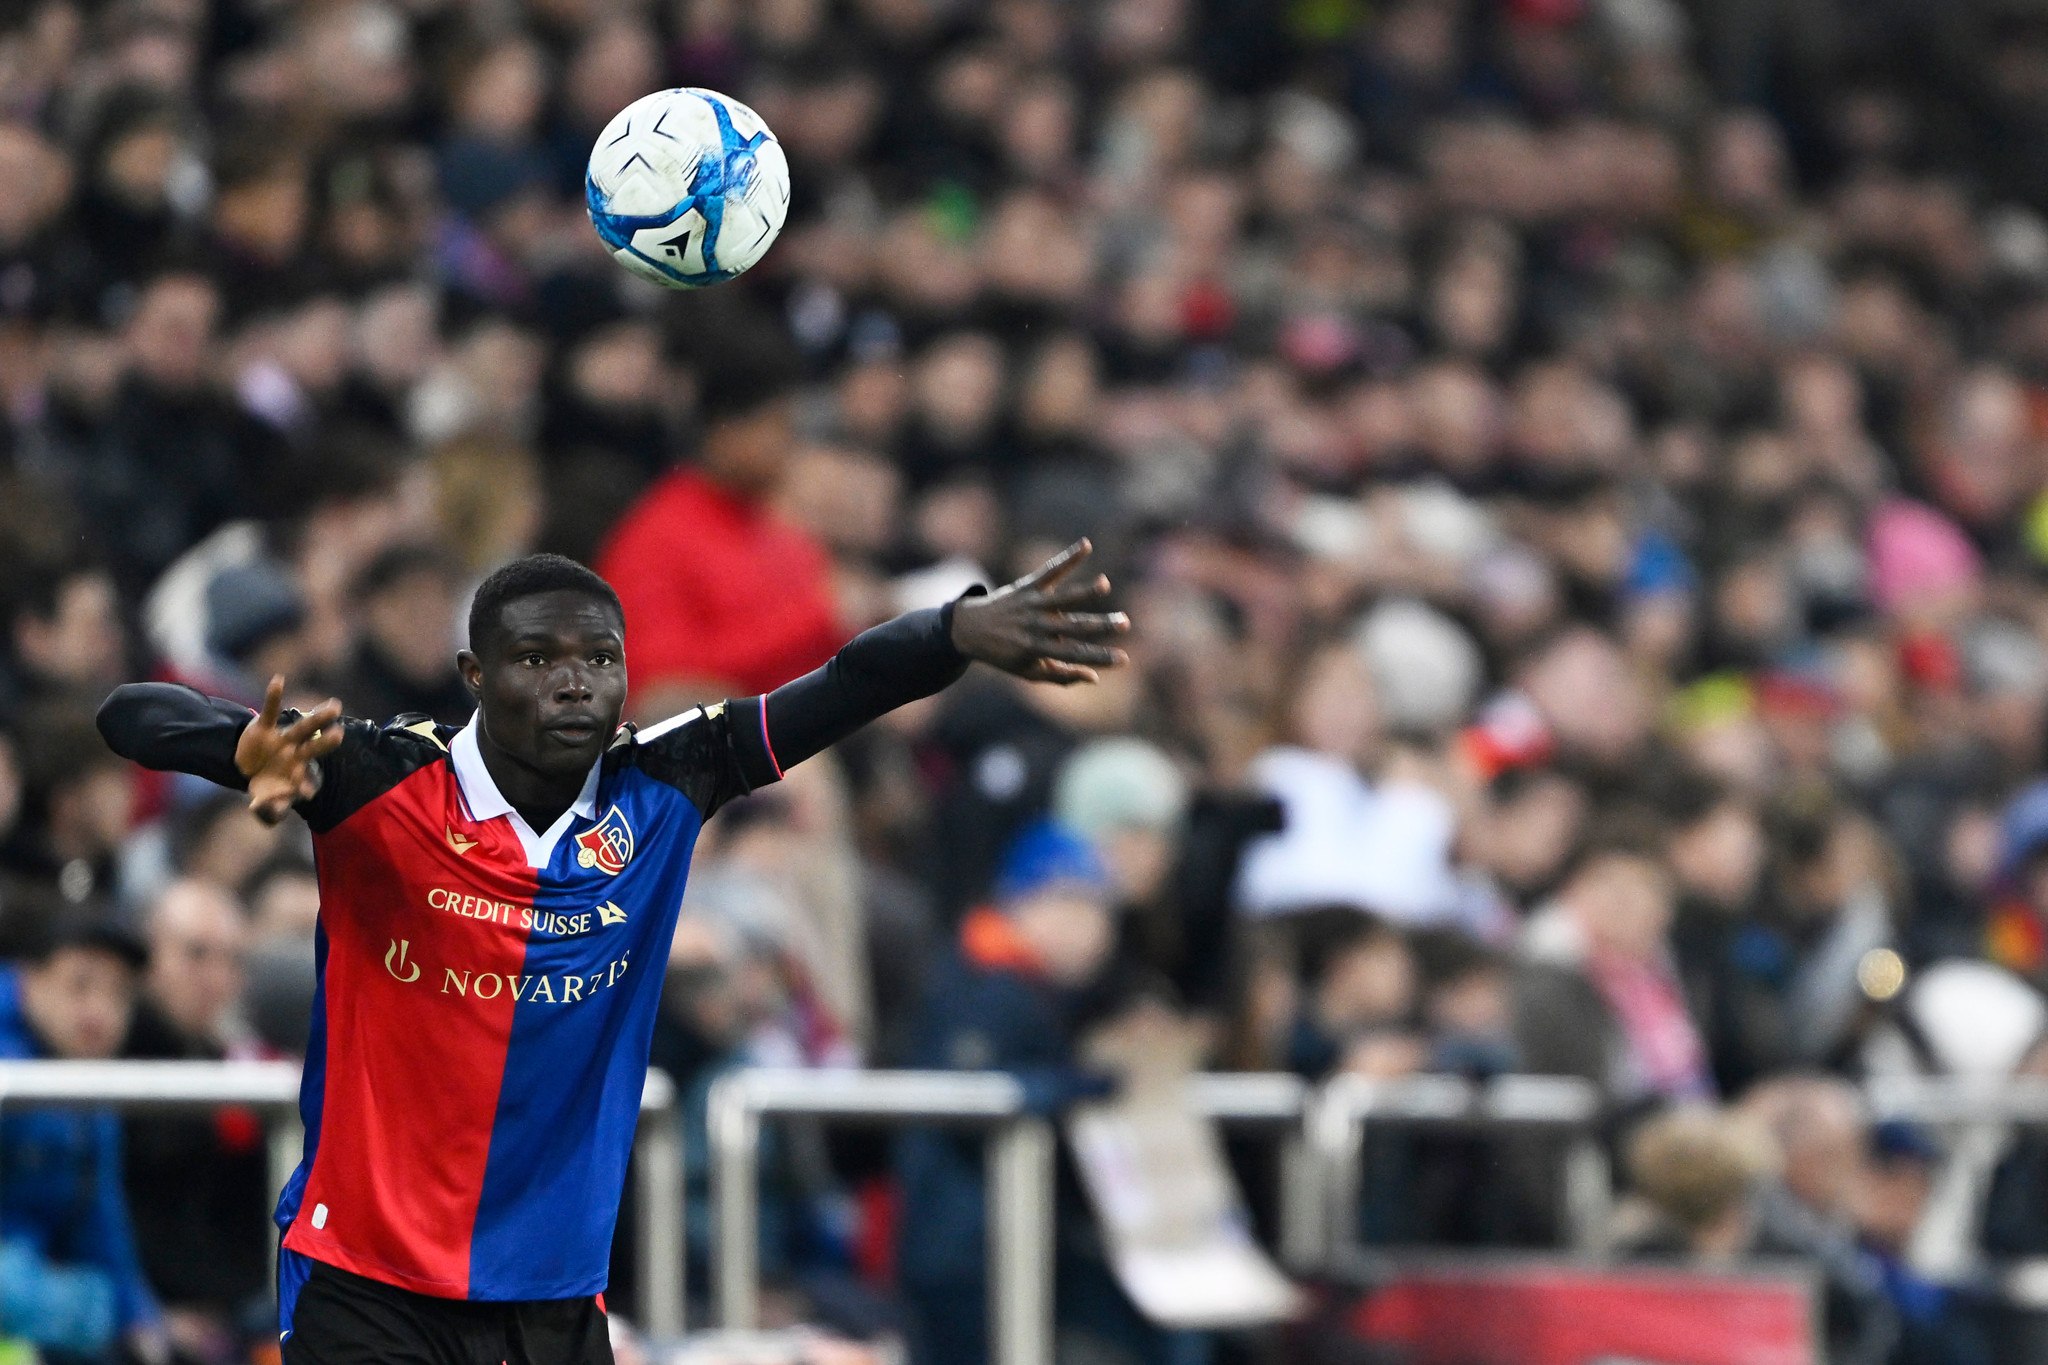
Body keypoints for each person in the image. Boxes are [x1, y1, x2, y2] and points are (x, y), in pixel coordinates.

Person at [96, 542, 1128, 1365]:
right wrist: (225, 750)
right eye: (538, 660)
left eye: (598, 659)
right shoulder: (374, 778)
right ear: (474, 675)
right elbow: (128, 712)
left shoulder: (671, 781)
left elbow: (842, 686)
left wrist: (953, 628)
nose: (575, 684)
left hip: (551, 1291)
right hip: (365, 1278)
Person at [0, 911, 165, 1363]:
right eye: (80, 985)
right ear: (28, 980)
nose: (100, 1011)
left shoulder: (86, 1081)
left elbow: (100, 1217)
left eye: (119, 995)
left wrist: (140, 1320)